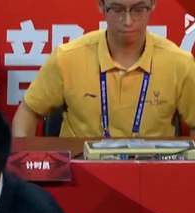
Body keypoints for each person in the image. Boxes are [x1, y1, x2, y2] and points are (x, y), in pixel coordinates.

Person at [12, 0, 195, 138]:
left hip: (152, 172)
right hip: (80, 172)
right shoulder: (67, 58)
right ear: (101, 5)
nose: (128, 21)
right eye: (117, 9)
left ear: (153, 4)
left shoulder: (179, 63)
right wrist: (26, 168)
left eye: (138, 9)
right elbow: (27, 113)